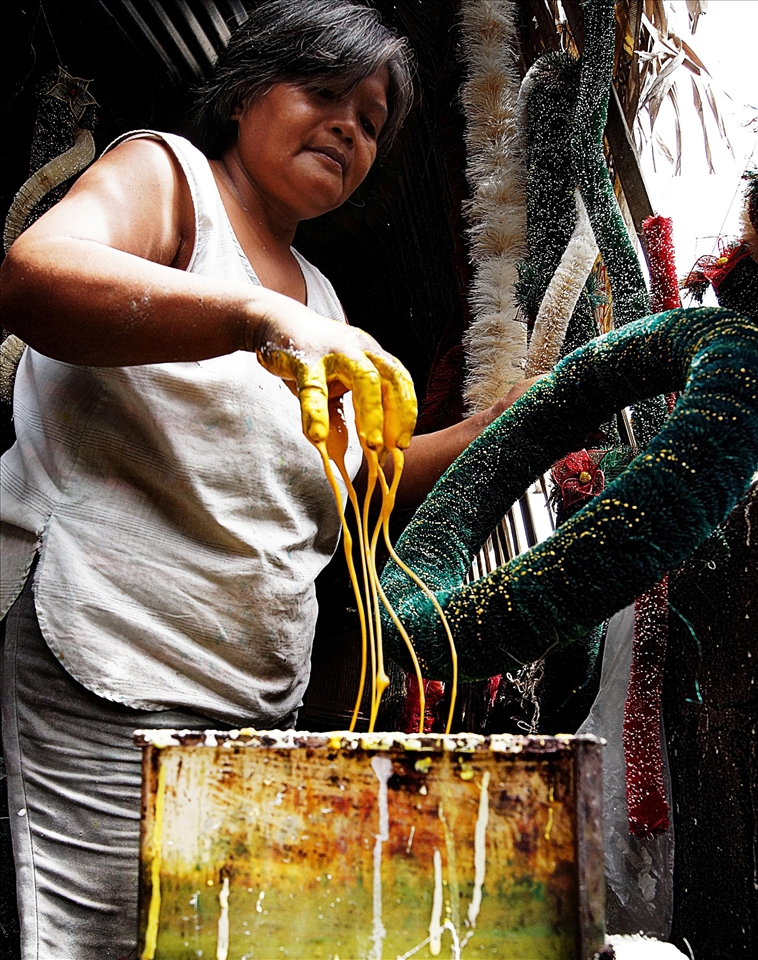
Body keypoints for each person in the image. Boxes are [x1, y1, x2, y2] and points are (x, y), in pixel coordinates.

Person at [0, 2, 532, 956]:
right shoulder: (169, 178)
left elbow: (371, 475)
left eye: (371, 123)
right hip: (110, 648)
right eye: (324, 93)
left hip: (252, 691)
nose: (348, 128)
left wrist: (509, 426)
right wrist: (256, 319)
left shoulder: (321, 301)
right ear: (245, 95)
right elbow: (36, 275)